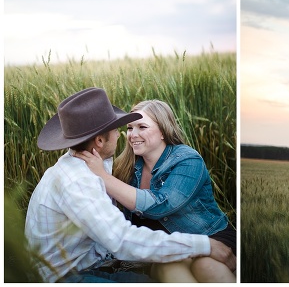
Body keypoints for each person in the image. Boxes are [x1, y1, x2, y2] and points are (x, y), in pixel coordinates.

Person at [24, 87, 235, 283]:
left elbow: (157, 206)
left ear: (163, 130)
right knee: (168, 271)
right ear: (98, 141)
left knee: (205, 267)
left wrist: (105, 178)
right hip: (68, 277)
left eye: (141, 127)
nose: (126, 135)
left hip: (201, 235)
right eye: (122, 128)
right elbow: (121, 238)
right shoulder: (89, 176)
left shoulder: (90, 168)